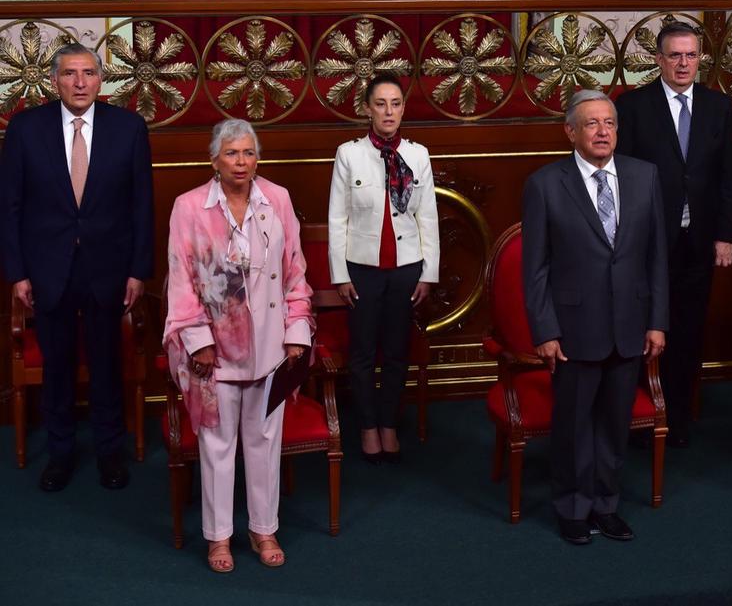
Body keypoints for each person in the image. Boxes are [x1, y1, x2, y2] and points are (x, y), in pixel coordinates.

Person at [0, 42, 154, 492]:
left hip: (110, 269)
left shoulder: (128, 128)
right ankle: (61, 453)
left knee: (108, 364)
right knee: (58, 366)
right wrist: (18, 273)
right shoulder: (26, 129)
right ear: (54, 81)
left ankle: (110, 453)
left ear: (101, 79)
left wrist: (137, 271)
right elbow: (9, 207)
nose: (80, 82)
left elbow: (141, 206)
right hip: (48, 270)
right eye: (70, 74)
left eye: (88, 73)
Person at [163, 119, 314, 572]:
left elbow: (295, 273)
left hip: (270, 348)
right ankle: (219, 537)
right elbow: (182, 281)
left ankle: (263, 528)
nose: (241, 162)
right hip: (215, 354)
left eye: (248, 153)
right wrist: (198, 342)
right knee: (217, 445)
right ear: (214, 160)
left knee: (265, 441)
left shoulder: (278, 199)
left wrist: (296, 335)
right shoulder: (188, 207)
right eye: (232, 153)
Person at [521, 89, 669, 545]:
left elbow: (656, 256)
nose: (603, 131)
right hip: (573, 328)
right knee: (573, 426)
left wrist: (657, 320)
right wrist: (545, 330)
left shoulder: (645, 176)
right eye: (592, 123)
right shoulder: (545, 183)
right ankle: (571, 508)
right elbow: (535, 267)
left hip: (630, 325)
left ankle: (606, 505)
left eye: (609, 123)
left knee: (613, 424)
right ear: (570, 131)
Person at [615, 21, 732, 447]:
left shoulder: (718, 107)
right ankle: (635, 416)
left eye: (691, 55)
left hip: (698, 240)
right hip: (647, 242)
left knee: (687, 329)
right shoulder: (633, 107)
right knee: (642, 326)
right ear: (659, 60)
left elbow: (728, 177)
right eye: (675, 56)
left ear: (700, 58)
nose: (684, 63)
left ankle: (678, 417)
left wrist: (725, 235)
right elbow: (622, 178)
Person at [327, 74, 439, 464]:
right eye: (380, 104)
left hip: (406, 268)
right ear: (367, 109)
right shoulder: (349, 153)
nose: (388, 111)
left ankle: (389, 423)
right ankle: (368, 425)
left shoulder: (418, 154)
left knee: (396, 350)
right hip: (362, 269)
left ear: (403, 108)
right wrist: (339, 274)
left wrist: (429, 272)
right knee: (362, 351)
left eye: (395, 103)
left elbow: (428, 216)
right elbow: (337, 218)